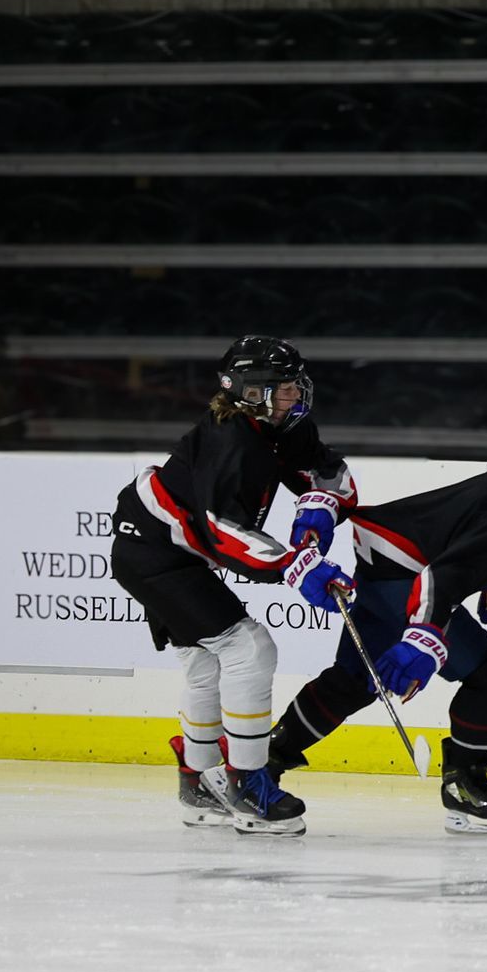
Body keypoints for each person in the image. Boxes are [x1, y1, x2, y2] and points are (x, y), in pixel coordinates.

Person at [267, 424, 487, 836]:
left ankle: (258, 762)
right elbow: (439, 579)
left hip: (386, 571)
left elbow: (460, 541)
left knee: (351, 682)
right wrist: (423, 637)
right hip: (403, 582)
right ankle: (465, 785)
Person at [110, 336, 356, 836]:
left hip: (164, 548)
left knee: (205, 665)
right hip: (154, 554)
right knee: (249, 648)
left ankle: (198, 783)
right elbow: (223, 531)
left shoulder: (279, 425)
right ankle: (246, 783)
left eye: (295, 385)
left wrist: (316, 508)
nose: (296, 396)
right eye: (284, 388)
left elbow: (329, 473)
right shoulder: (231, 441)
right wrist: (298, 565)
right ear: (250, 391)